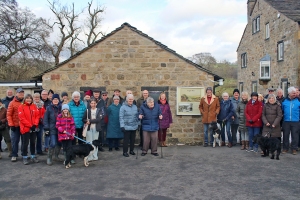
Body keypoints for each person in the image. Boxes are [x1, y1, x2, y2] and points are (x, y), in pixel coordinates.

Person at [18, 94, 40, 165]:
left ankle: (33, 156)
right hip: (25, 128)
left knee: (33, 142)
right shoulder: (21, 107)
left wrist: (35, 124)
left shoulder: (34, 106)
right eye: (27, 98)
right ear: (25, 99)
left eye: (30, 98)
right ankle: (25, 157)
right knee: (25, 143)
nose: (29, 100)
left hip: (33, 127)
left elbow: (37, 115)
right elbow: (22, 118)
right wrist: (30, 125)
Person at [43, 94, 63, 165]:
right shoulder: (49, 108)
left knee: (59, 143)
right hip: (52, 128)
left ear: (59, 100)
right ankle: (49, 157)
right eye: (54, 99)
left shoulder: (61, 108)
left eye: (57, 99)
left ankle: (56, 156)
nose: (55, 101)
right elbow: (45, 119)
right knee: (53, 143)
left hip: (60, 129)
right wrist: (46, 128)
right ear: (52, 100)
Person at [281, 87, 300, 155]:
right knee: (285, 135)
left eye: (295, 93)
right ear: (289, 93)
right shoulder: (284, 101)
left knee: (295, 136)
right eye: (293, 93)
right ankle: (285, 148)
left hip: (296, 121)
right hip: (286, 121)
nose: (295, 94)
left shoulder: (298, 100)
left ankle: (294, 148)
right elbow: (282, 110)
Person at [7, 88, 24, 162]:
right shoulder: (12, 103)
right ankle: (14, 154)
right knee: (15, 141)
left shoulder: (25, 102)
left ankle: (24, 154)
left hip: (24, 126)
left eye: (22, 93)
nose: (21, 94)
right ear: (16, 93)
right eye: (19, 93)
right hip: (15, 125)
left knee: (24, 141)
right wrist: (11, 124)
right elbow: (9, 115)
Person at [1, 89, 13, 156]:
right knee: (6, 136)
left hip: (11, 120)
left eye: (11, 92)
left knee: (11, 136)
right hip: (5, 123)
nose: (9, 93)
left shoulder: (14, 99)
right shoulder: (3, 100)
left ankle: (11, 149)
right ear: (6, 93)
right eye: (8, 92)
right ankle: (6, 147)